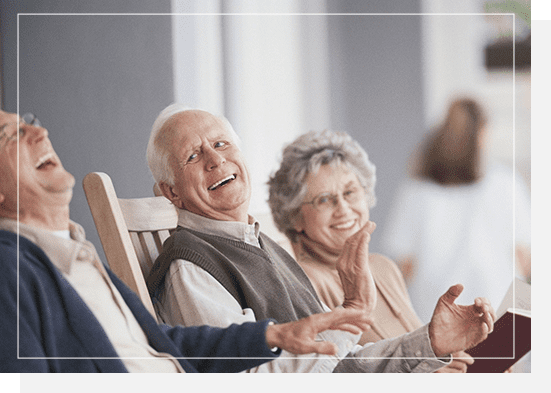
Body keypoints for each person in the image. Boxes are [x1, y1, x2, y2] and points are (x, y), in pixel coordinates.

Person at [0, 108, 374, 373]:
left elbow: (162, 343)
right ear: (172, 193)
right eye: (10, 135)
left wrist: (271, 335)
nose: (41, 132)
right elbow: (19, 383)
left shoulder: (75, 255)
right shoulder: (10, 269)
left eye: (222, 144)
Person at [145, 103, 496, 373]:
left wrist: (431, 343)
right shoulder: (190, 264)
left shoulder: (261, 244)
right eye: (193, 155)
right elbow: (253, 377)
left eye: (221, 144)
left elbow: (344, 364)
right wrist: (352, 313)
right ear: (171, 192)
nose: (216, 159)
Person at [267, 129, 474, 372]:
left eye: (350, 192)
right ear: (295, 217)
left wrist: (458, 359)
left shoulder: (383, 267)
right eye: (324, 199)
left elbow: (424, 351)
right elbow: (333, 374)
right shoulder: (301, 282)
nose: (343, 209)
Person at [381, 98, 531, 324]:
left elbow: (405, 267)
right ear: (482, 133)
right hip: (499, 313)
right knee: (499, 360)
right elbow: (526, 259)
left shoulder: (417, 190)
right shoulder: (506, 183)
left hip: (438, 318)